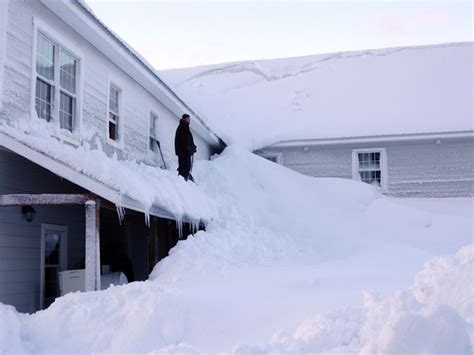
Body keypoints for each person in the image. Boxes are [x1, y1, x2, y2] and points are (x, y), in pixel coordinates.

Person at [174, 113, 197, 181]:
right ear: (184, 119)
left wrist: (193, 147)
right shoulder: (182, 127)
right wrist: (189, 148)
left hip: (185, 152)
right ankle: (183, 178)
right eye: (188, 119)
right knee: (184, 166)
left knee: (187, 166)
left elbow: (188, 141)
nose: (189, 121)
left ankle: (185, 177)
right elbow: (184, 141)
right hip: (183, 152)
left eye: (189, 119)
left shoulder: (185, 127)